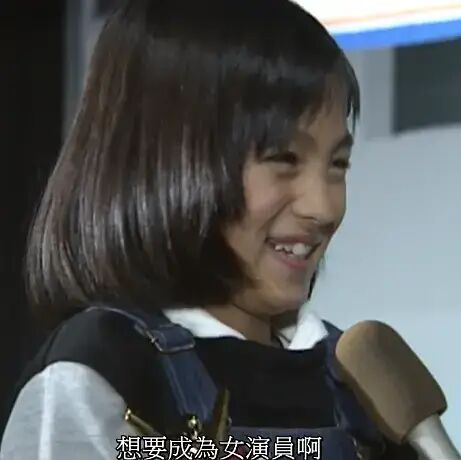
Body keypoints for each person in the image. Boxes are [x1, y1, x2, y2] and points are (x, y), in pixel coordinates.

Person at [0, 0, 418, 459]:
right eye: (283, 158)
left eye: (338, 163)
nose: (323, 207)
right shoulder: (103, 377)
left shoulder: (361, 385)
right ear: (164, 161)